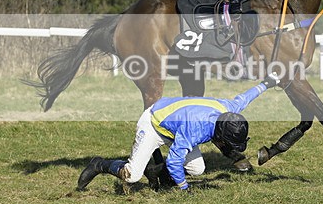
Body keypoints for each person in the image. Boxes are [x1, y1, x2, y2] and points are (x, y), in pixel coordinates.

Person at [77, 73, 281, 193]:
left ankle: (156, 172)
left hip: (175, 123)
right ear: (220, 135)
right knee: (131, 176)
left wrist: (267, 83)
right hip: (153, 125)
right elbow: (175, 161)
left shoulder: (227, 110)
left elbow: (245, 97)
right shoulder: (194, 129)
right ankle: (100, 164)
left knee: (197, 169)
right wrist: (185, 188)